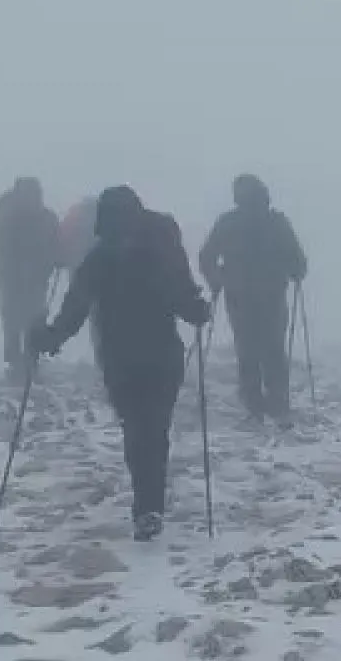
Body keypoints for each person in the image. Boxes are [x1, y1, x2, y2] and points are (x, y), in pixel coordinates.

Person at [29, 185, 210, 541]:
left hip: (120, 358)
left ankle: (147, 506)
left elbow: (75, 308)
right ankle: (149, 505)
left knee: (139, 430)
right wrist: (197, 311)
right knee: (153, 429)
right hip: (160, 355)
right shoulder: (158, 252)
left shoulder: (100, 258)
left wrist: (50, 337)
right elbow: (183, 294)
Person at [198, 173, 307, 422]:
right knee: (272, 350)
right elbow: (297, 259)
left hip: (241, 297)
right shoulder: (277, 223)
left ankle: (255, 405)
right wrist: (297, 270)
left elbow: (207, 257)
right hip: (269, 296)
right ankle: (277, 404)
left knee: (248, 350)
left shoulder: (229, 223)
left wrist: (217, 279)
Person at [0, 176, 60, 382]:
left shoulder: (38, 218)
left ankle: (24, 366)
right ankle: (22, 366)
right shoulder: (8, 217)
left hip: (26, 279)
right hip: (18, 280)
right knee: (18, 322)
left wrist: (56, 258)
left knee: (24, 321)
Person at [58, 195, 103, 367]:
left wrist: (61, 259)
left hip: (77, 270)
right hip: (102, 273)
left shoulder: (74, 220)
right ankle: (102, 355)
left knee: (84, 310)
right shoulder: (103, 218)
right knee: (99, 315)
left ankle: (100, 355)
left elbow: (62, 243)